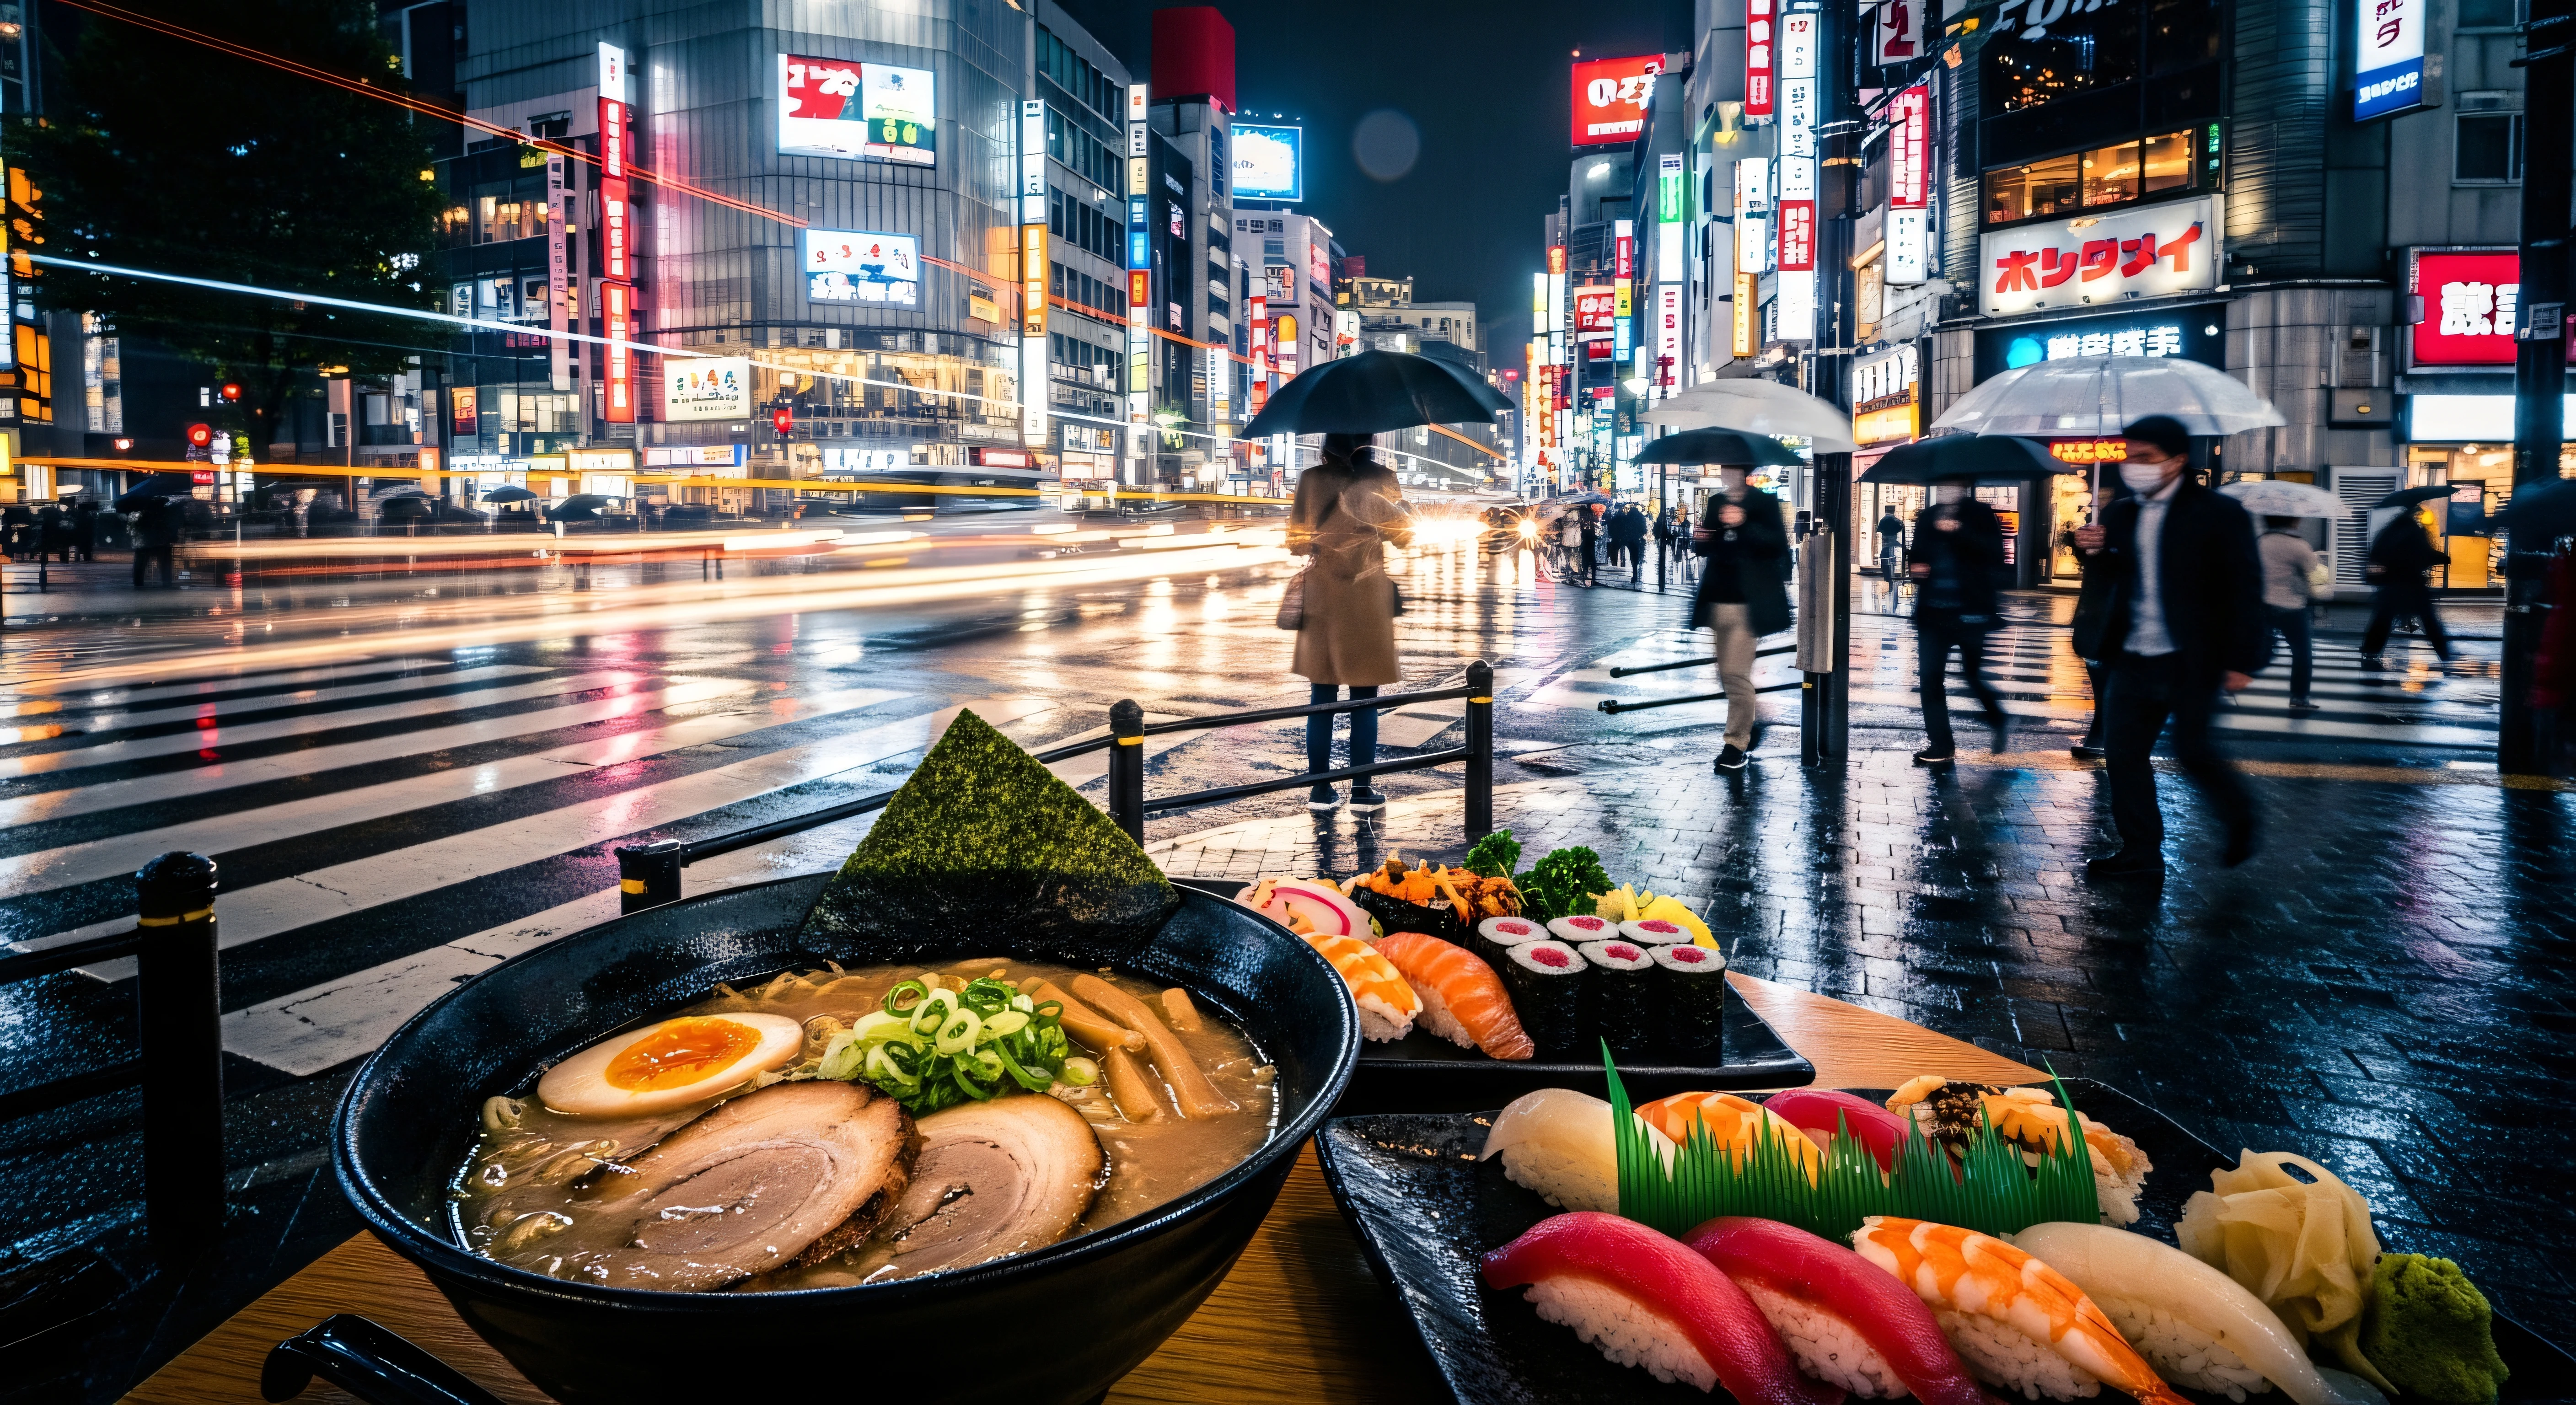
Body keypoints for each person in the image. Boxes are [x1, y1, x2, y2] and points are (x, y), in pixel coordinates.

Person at [2071, 415, 2265, 879]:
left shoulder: (2218, 513)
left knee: (2193, 751)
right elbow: (2108, 578)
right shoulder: (2121, 512)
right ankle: (2140, 853)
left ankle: (2241, 819)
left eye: (2145, 458)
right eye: (2127, 457)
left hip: (2192, 658)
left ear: (2177, 461)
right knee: (2122, 757)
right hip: (2132, 656)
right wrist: (2090, 551)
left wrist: (2241, 659)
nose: (2132, 467)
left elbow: (2244, 587)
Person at [1287, 431, 1412, 815]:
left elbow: (1295, 543)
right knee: (1365, 698)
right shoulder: (1382, 479)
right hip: (1367, 593)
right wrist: (1399, 509)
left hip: (1323, 594)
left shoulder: (1311, 480)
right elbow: (1404, 537)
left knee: (1321, 697)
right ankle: (1362, 788)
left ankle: (1320, 790)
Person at [1690, 464, 1791, 772]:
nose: (1726, 475)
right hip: (1717, 599)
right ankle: (1751, 725)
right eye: (1724, 469)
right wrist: (1702, 535)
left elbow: (1777, 547)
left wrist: (1745, 523)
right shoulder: (1717, 502)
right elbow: (1704, 548)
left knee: (1735, 674)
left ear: (1744, 472)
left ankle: (1735, 745)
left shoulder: (1764, 503)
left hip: (1749, 603)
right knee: (1725, 677)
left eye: (1732, 469)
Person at [1906, 480, 2013, 764]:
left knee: (1972, 675)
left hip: (1970, 611)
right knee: (1930, 680)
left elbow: (1995, 555)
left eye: (1952, 484)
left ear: (1963, 487)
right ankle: (1941, 745)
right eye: (1942, 485)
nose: (1946, 489)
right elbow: (1917, 553)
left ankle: (1998, 719)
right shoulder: (1928, 515)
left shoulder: (1980, 514)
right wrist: (1916, 566)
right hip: (1933, 612)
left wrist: (1959, 532)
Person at [2359, 509, 2453, 669]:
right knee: (2430, 622)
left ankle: (2370, 652)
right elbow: (2423, 556)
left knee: (2383, 619)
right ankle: (2445, 656)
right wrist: (2443, 558)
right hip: (2412, 585)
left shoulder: (2389, 533)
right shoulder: (2414, 533)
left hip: (2392, 586)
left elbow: (2378, 555)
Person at [2257, 515, 2325, 711]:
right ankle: (2299, 697)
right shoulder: (2298, 545)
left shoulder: (2260, 541)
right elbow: (2313, 569)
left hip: (2263, 603)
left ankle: (2228, 678)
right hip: (2292, 606)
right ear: (2292, 522)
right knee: (2302, 652)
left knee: (2254, 643)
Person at [131, 495, 181, 588]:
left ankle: (138, 583)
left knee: (141, 563)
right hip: (162, 543)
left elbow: (140, 527)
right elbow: (172, 526)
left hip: (148, 543)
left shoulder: (146, 513)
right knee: (165, 565)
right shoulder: (166, 513)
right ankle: (167, 583)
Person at [1876, 505, 1906, 581]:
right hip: (1890, 548)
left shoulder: (1884, 520)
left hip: (1887, 548)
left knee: (1887, 568)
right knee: (1890, 566)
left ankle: (1890, 583)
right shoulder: (1895, 520)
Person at [1578, 504, 1601, 585]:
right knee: (1592, 560)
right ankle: (1594, 579)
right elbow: (1597, 523)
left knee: (1585, 559)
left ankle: (1584, 575)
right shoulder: (1592, 518)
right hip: (1590, 541)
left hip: (1585, 541)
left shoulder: (1582, 518)